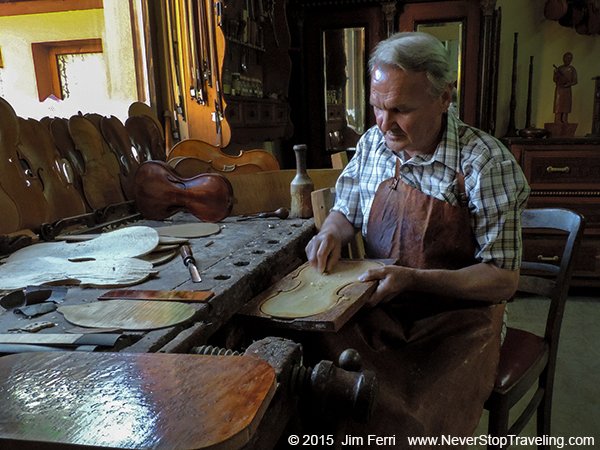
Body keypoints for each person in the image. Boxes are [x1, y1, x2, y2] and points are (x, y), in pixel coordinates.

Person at [303, 32, 530, 448]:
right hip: (380, 310)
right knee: (315, 378)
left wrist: (415, 279)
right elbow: (345, 211)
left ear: (445, 97)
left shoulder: (484, 163)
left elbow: (502, 280)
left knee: (413, 420)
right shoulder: (373, 145)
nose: (384, 124)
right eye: (376, 107)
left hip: (457, 324)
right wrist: (331, 232)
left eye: (400, 110)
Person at [553, 51, 577, 124]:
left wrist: (568, 84)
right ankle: (557, 120)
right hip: (559, 89)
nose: (568, 60)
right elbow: (555, 79)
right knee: (558, 105)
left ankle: (564, 119)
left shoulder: (572, 69)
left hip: (567, 90)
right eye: (567, 58)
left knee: (566, 105)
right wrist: (556, 73)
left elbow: (575, 81)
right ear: (563, 59)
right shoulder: (560, 68)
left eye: (570, 59)